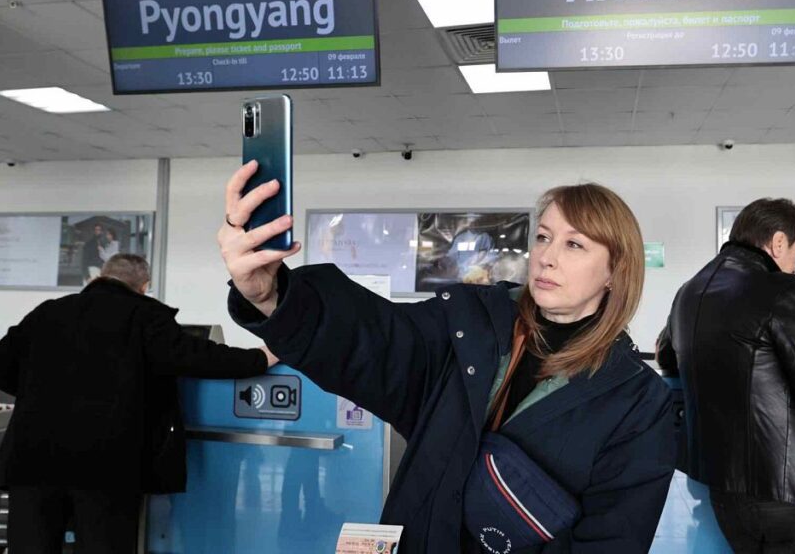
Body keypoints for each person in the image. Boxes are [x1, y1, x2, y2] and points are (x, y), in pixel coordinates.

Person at [219, 161, 675, 553]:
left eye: (574, 245)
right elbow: (372, 340)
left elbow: (612, 540)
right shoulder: (469, 321)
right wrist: (273, 297)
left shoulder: (637, 401)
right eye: (542, 237)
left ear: (616, 271)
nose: (546, 258)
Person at [0, 253, 278, 554]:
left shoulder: (48, 312)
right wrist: (261, 357)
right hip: (104, 464)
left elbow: (2, 365)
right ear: (144, 285)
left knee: (30, 547)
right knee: (103, 546)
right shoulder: (143, 315)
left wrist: (36, 396)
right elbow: (200, 357)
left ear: (97, 278)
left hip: (32, 458)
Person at [658, 198, 795, 554]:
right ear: (778, 242)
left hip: (726, 500)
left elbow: (667, 357)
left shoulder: (689, 294)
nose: (794, 267)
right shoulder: (788, 292)